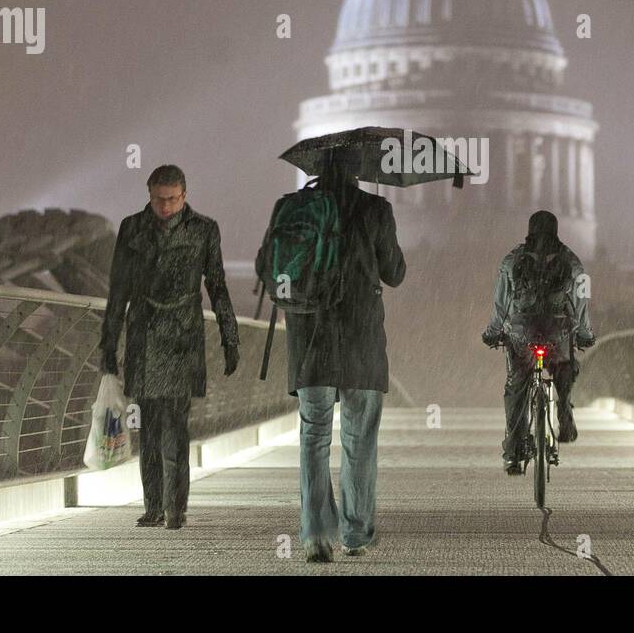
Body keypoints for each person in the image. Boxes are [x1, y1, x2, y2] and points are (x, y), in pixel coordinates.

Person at [257, 153, 405, 563]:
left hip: (310, 340)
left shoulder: (293, 208)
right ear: (357, 171)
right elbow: (394, 272)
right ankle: (356, 534)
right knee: (359, 440)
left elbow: (263, 265)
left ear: (317, 169)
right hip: (361, 342)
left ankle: (316, 533)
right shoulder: (375, 209)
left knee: (313, 437)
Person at [99, 164, 241, 529]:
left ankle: (175, 508)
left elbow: (218, 285)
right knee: (147, 424)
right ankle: (154, 506)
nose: (166, 206)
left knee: (176, 425)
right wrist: (108, 345)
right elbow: (118, 290)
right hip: (144, 333)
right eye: (160, 199)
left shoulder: (204, 229)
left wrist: (230, 337)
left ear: (184, 195)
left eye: (173, 199)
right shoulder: (132, 229)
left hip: (182, 336)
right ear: (150, 195)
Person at [482, 210, 596, 474]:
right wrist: (584, 334)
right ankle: (565, 415)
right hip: (558, 331)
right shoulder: (572, 261)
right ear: (556, 230)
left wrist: (493, 331)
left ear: (529, 230)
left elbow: (501, 302)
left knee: (517, 388)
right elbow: (581, 304)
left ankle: (513, 451)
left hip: (523, 332)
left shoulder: (512, 259)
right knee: (565, 370)